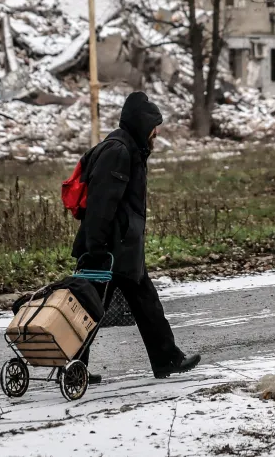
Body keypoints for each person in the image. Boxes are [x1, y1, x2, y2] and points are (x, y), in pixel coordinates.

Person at [72, 91, 201, 382]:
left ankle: (167, 359)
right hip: (107, 250)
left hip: (122, 248)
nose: (157, 132)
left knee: (141, 305)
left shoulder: (131, 149)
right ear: (142, 124)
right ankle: (73, 369)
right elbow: (101, 204)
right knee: (90, 311)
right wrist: (95, 247)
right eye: (154, 125)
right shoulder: (119, 152)